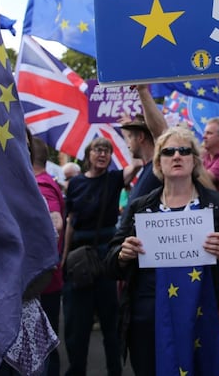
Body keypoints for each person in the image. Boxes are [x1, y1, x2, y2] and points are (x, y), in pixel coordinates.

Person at [105, 127, 219, 375]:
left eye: (184, 150)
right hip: (148, 317)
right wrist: (123, 254)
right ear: (159, 162)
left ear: (195, 160)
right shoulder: (140, 207)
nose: (177, 156)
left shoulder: (215, 203)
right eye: (169, 151)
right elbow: (111, 260)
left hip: (203, 312)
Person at [62, 137, 141, 376]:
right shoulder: (75, 183)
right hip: (79, 259)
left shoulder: (114, 178)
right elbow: (70, 223)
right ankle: (77, 370)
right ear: (88, 154)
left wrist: (131, 137)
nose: (103, 154)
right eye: (98, 149)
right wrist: (64, 257)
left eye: (107, 150)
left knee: (110, 320)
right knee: (78, 323)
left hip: (106, 257)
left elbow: (137, 162)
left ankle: (114, 370)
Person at [31, 138, 66, 376]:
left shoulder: (41, 186)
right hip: (45, 279)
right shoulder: (45, 182)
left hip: (42, 282)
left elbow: (57, 222)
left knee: (43, 347)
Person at [119, 88, 168, 204]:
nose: (128, 144)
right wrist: (127, 130)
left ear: (141, 137)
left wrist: (142, 90)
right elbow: (136, 164)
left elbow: (162, 133)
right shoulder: (147, 168)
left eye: (130, 137)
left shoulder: (160, 167)